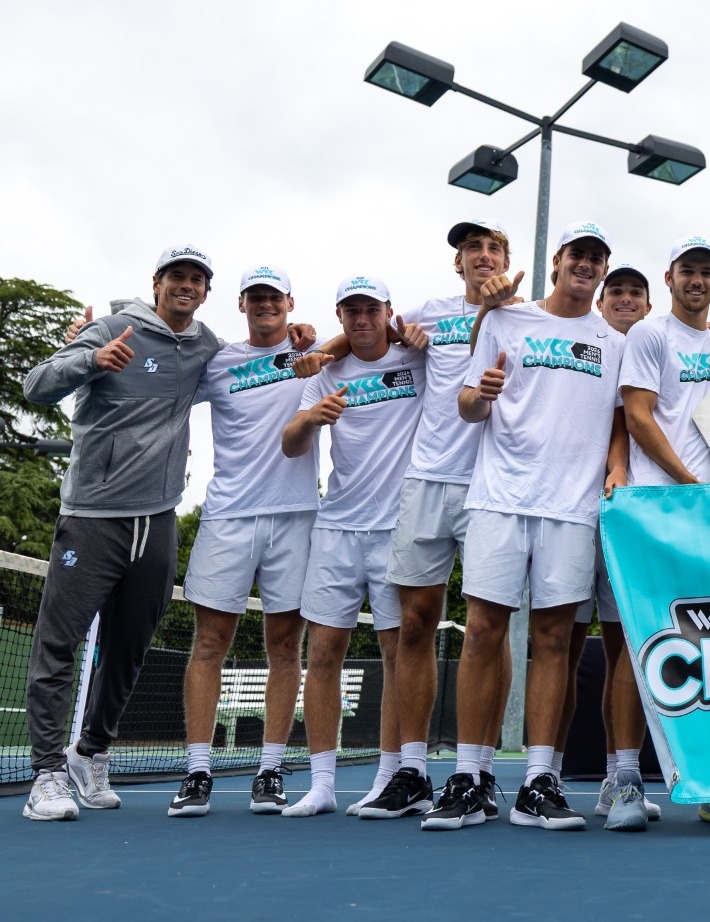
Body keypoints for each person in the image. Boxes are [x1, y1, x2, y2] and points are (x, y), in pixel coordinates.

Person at [303, 221, 514, 821]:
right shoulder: (426, 313)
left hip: (492, 485)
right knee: (416, 625)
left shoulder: (527, 316)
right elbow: (360, 333)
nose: (482, 256)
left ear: (507, 260)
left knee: (486, 626)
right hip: (423, 486)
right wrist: (322, 349)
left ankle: (478, 771)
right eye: (472, 248)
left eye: (493, 248)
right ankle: (413, 772)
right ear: (458, 263)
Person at [422, 222, 625, 832]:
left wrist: (615, 468)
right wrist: (480, 395)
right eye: (576, 256)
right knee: (483, 631)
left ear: (602, 271)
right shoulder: (506, 321)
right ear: (556, 262)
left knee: (556, 641)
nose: (585, 266)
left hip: (573, 507)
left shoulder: (613, 340)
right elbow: (465, 403)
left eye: (596, 259)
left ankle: (539, 780)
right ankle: (468, 777)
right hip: (499, 499)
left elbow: (622, 419)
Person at [21, 246, 225, 821]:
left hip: (157, 521)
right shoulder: (111, 329)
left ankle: (91, 753)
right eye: (176, 277)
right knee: (59, 644)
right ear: (156, 284)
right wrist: (88, 358)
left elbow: (259, 361)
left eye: (196, 279)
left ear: (205, 292)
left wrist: (301, 335)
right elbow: (38, 385)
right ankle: (47, 774)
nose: (186, 286)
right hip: (92, 517)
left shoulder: (207, 345)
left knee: (131, 646)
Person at [620, 235, 710, 830]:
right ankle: (625, 783)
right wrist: (685, 484)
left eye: (707, 272)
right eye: (688, 271)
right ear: (671, 277)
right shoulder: (649, 335)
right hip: (656, 509)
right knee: (641, 649)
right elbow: (637, 414)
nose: (697, 281)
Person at [168, 266, 320, 817]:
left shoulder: (314, 351)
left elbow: (371, 341)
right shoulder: (218, 361)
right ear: (240, 304)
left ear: (288, 302)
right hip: (228, 517)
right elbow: (163, 380)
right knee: (209, 643)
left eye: (274, 298)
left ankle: (270, 770)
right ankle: (197, 772)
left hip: (297, 516)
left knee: (285, 646)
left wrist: (308, 333)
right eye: (255, 298)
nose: (265, 306)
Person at [278, 276, 425, 818]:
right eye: (351, 311)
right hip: (336, 528)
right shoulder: (324, 372)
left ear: (388, 311)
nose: (362, 319)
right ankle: (320, 784)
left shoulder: (418, 359)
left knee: (397, 654)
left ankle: (390, 776)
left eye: (371, 309)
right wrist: (310, 419)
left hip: (398, 529)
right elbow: (291, 443)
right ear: (340, 316)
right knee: (322, 652)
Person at [566, 264, 664, 826]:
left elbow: (629, 417)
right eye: (617, 291)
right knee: (571, 645)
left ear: (648, 305)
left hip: (628, 514)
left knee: (624, 646)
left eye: (636, 292)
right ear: (602, 302)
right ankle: (546, 777)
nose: (626, 299)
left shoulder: (650, 348)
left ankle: (615, 777)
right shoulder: (587, 344)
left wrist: (621, 465)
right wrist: (619, 464)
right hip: (576, 513)